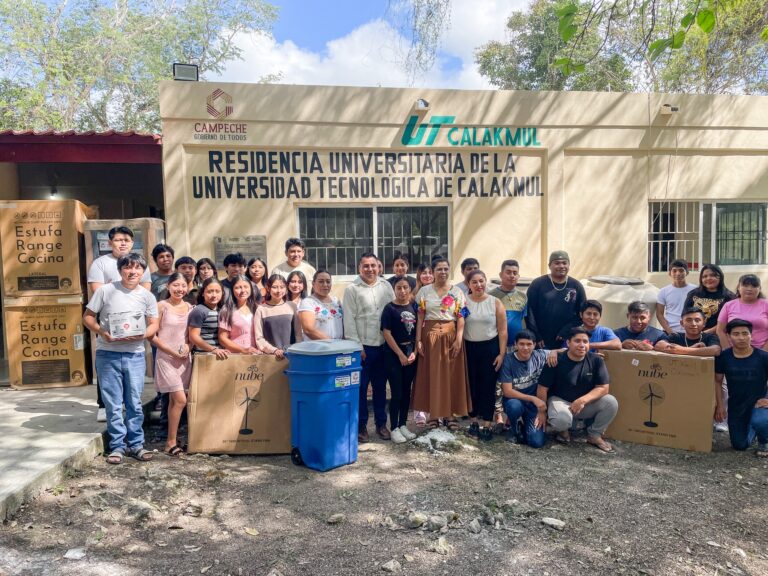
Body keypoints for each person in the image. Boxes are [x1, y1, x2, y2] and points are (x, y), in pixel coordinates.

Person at [83, 254, 159, 464]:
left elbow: (154, 324)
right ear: (120, 270)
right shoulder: (106, 291)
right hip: (107, 354)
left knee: (134, 402)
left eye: (137, 268)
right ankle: (117, 446)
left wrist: (143, 335)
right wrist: (102, 332)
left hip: (135, 354)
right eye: (127, 267)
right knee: (113, 404)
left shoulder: (147, 296)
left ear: (143, 271)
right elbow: (88, 317)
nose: (132, 271)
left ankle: (136, 445)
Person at [87, 226, 151, 422]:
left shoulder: (139, 263)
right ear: (110, 243)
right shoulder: (100, 263)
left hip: (133, 319)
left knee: (129, 369)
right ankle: (103, 404)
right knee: (107, 361)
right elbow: (98, 289)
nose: (122, 242)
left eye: (126, 239)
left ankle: (125, 405)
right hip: (110, 316)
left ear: (132, 243)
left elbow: (145, 288)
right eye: (118, 239)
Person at [412, 257, 472, 431]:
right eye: (439, 269)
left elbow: (461, 317)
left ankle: (450, 414)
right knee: (431, 375)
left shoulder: (458, 292)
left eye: (446, 269)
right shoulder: (424, 292)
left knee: (451, 375)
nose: (443, 272)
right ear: (433, 271)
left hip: (451, 336)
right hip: (429, 336)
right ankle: (433, 415)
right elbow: (420, 317)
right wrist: (418, 341)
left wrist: (459, 338)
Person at [537, 327, 618, 453]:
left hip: (583, 404)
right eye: (577, 341)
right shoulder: (555, 360)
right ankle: (563, 430)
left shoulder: (596, 360)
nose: (582, 345)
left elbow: (603, 388)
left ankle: (594, 435)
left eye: (585, 342)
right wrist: (542, 412)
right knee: (561, 420)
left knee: (611, 402)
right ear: (568, 343)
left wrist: (582, 400)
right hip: (560, 401)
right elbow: (542, 388)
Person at [343, 253, 395, 442]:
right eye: (366, 266)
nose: (370, 269)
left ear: (378, 267)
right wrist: (357, 347)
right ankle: (361, 426)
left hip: (383, 346)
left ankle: (381, 424)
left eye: (373, 265)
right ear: (359, 268)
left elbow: (393, 311)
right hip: (363, 347)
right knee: (361, 389)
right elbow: (349, 320)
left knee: (381, 388)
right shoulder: (352, 289)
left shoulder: (386, 286)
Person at [151, 273, 193, 456]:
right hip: (166, 358)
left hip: (184, 360)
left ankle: (171, 442)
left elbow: (192, 335)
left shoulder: (191, 308)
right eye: (176, 285)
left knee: (175, 401)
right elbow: (152, 336)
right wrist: (171, 351)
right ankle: (170, 441)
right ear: (168, 286)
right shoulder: (161, 306)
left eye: (183, 286)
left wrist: (188, 347)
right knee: (181, 400)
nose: (180, 289)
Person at [464, 270, 507, 441]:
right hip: (469, 348)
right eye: (474, 282)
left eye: (481, 281)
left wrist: (502, 354)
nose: (478, 285)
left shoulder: (495, 302)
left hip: (490, 348)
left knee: (488, 387)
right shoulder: (463, 302)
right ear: (468, 284)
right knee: (472, 385)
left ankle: (487, 424)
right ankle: (473, 421)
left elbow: (503, 331)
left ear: (486, 282)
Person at [715, 319, 768, 457]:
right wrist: (720, 406)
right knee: (739, 445)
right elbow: (718, 382)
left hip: (759, 402)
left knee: (761, 421)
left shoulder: (763, 357)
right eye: (736, 334)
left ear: (752, 335)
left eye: (745, 333)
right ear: (729, 336)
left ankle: (764, 440)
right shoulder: (724, 357)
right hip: (736, 404)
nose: (741, 338)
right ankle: (754, 428)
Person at [499, 330, 557, 448]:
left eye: (529, 344)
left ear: (534, 345)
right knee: (514, 407)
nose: (525, 348)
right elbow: (507, 391)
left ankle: (524, 427)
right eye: (522, 344)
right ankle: (513, 429)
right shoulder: (508, 361)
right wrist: (533, 398)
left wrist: (554, 351)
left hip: (534, 406)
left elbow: (568, 350)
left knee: (536, 442)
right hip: (515, 400)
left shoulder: (540, 354)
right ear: (515, 344)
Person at [380, 277, 419, 444]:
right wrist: (400, 355)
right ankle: (394, 427)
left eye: (405, 287)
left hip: (411, 353)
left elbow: (418, 330)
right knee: (396, 392)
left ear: (410, 289)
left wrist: (415, 352)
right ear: (394, 289)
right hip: (393, 355)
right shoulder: (389, 309)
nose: (402, 291)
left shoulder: (415, 307)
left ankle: (403, 424)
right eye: (399, 288)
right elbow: (386, 333)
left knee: (406, 392)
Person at [526, 251, 586, 349]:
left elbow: (582, 314)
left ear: (569, 265)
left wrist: (566, 330)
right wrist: (535, 335)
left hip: (566, 340)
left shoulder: (576, 286)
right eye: (557, 263)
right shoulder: (538, 284)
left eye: (564, 263)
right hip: (541, 341)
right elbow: (529, 312)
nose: (561, 266)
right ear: (550, 265)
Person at [254, 274, 302, 358]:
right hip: (270, 357)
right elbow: (259, 338)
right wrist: (274, 350)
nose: (278, 290)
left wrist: (296, 349)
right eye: (274, 287)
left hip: (292, 355)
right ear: (268, 288)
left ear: (286, 288)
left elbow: (298, 333)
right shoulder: (261, 309)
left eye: (282, 287)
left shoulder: (292, 306)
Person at [717, 274, 768, 351]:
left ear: (760, 289)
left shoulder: (766, 305)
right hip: (734, 352)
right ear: (738, 287)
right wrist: (728, 351)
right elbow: (720, 330)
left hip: (762, 351)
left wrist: (764, 352)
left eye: (754, 286)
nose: (749, 289)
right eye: (745, 285)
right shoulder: (729, 305)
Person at [412, 263, 434, 427]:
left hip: (436, 338)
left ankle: (436, 410)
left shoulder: (443, 292)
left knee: (437, 375)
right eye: (423, 273)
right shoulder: (414, 294)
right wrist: (418, 340)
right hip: (419, 337)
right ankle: (420, 412)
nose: (427, 275)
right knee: (421, 375)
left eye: (429, 272)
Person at [684, 264, 736, 334]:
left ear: (720, 277)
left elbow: (730, 321)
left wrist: (705, 333)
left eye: (713, 275)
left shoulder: (729, 297)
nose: (708, 278)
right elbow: (685, 315)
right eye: (704, 276)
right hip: (694, 334)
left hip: (719, 335)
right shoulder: (693, 294)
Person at [188, 277, 230, 359]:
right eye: (209, 292)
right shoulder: (199, 311)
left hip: (219, 355)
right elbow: (193, 336)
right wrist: (213, 349)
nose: (214, 295)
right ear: (203, 293)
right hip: (203, 357)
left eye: (217, 291)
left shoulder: (221, 310)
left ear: (222, 293)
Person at [489, 259, 527, 350]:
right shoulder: (490, 296)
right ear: (501, 275)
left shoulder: (523, 296)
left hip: (516, 347)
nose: (512, 276)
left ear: (518, 276)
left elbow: (524, 321)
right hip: (496, 345)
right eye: (508, 272)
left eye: (515, 273)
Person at [655, 307, 722, 357]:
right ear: (682, 323)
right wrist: (692, 348)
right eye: (689, 320)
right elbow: (659, 345)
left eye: (697, 320)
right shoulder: (676, 336)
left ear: (704, 323)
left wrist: (678, 349)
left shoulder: (710, 337)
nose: (693, 324)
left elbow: (716, 350)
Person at [218, 275, 259, 354]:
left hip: (257, 355)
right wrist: (243, 350)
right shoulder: (227, 310)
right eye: (238, 287)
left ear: (251, 288)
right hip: (237, 356)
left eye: (246, 287)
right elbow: (222, 338)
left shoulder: (256, 308)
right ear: (232, 290)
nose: (243, 290)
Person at [299, 270, 344, 339]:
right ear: (313, 284)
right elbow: (308, 329)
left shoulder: (336, 301)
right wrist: (331, 342)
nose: (325, 284)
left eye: (328, 281)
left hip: (338, 347)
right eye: (321, 281)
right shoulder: (308, 302)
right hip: (318, 348)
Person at [656, 259, 696, 335]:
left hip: (691, 331)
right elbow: (659, 314)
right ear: (669, 273)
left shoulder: (695, 290)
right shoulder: (663, 291)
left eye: (681, 270)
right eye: (674, 271)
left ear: (687, 272)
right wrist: (669, 330)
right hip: (670, 331)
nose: (678, 273)